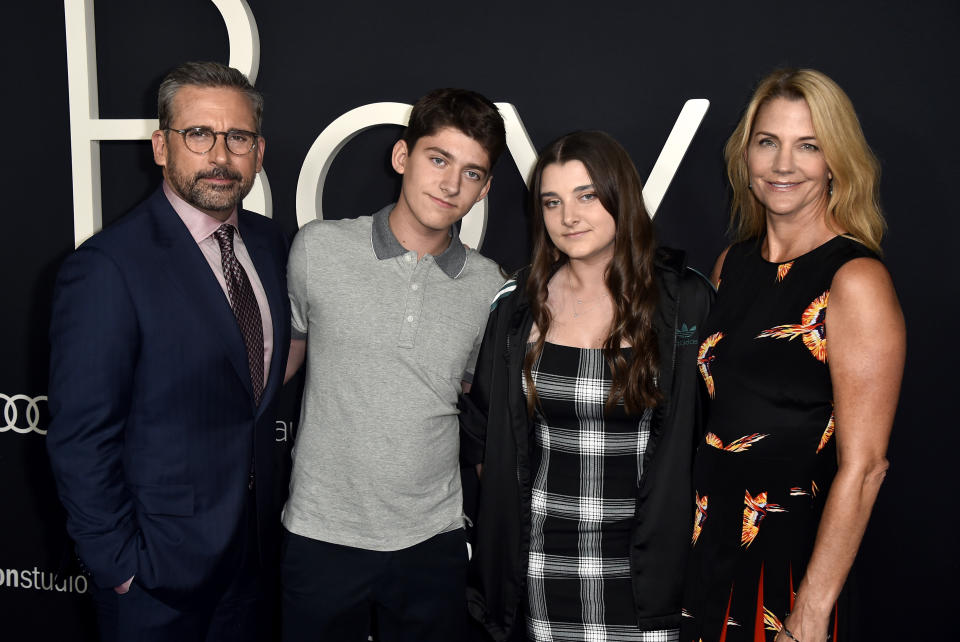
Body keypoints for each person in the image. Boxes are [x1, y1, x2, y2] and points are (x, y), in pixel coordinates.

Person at [46, 61, 290, 641]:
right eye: (199, 134)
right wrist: (121, 567)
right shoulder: (108, 267)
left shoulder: (272, 244)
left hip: (257, 562)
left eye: (238, 138)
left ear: (259, 151)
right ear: (162, 146)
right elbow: (81, 436)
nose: (220, 157)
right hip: (157, 576)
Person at [460, 130, 714, 641]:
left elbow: (712, 434)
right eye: (552, 202)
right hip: (543, 565)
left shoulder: (684, 299)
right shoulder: (517, 303)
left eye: (586, 196)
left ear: (620, 195)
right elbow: (486, 434)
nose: (568, 217)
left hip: (649, 571)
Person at [680, 69, 906, 642]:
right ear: (746, 156)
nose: (783, 165)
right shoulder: (732, 265)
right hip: (707, 550)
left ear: (835, 162)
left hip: (788, 572)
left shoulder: (855, 279)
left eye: (808, 145)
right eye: (768, 142)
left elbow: (866, 467)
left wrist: (809, 616)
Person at [281, 88, 507, 641]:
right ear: (402, 157)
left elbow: (483, 413)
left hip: (432, 540)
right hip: (320, 533)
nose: (451, 185)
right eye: (438, 159)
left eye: (472, 173)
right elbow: (277, 363)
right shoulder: (319, 250)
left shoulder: (488, 287)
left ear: (486, 188)